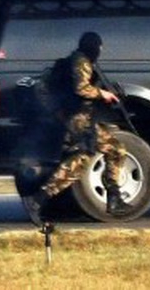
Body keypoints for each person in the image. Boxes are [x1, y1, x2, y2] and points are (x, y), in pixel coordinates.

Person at [22, 32, 132, 226]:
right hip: (78, 119)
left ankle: (113, 198)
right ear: (94, 46)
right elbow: (81, 89)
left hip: (76, 117)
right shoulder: (81, 62)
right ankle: (39, 199)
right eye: (99, 47)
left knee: (106, 151)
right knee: (97, 154)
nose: (100, 51)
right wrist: (102, 94)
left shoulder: (76, 59)